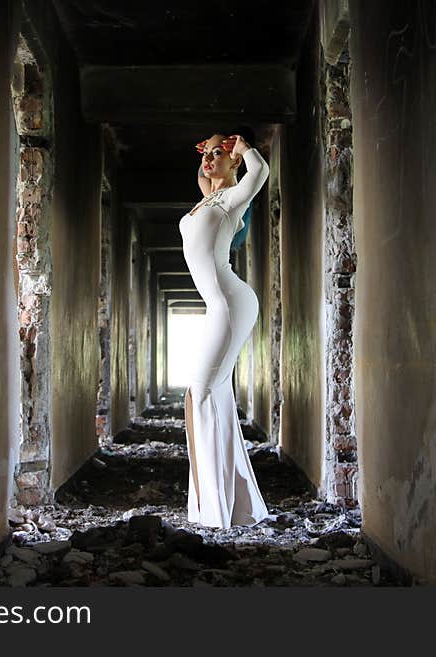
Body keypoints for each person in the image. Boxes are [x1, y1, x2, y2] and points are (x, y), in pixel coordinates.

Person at [178, 129, 271, 529]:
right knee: (209, 396)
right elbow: (206, 178)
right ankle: (235, 507)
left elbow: (260, 171)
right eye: (206, 153)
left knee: (201, 392)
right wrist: (213, 154)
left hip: (231, 304)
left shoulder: (234, 200)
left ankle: (215, 511)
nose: (209, 158)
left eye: (219, 153)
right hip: (218, 306)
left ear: (234, 160)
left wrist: (242, 148)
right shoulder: (208, 200)